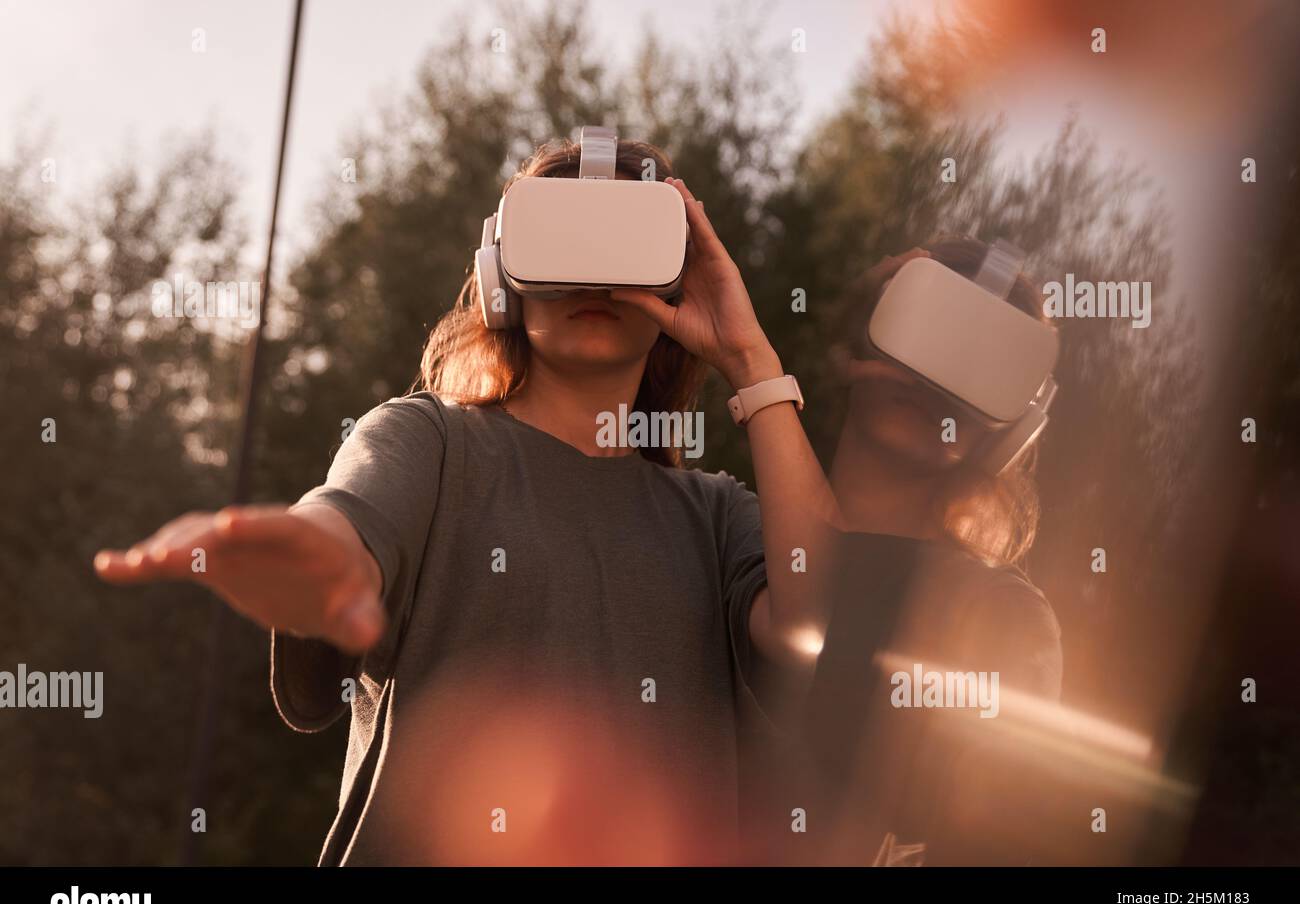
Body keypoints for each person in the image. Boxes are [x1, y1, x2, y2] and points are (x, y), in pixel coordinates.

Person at [93, 135, 838, 865]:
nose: (593, 276)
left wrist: (751, 360)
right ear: (501, 277)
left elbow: (829, 625)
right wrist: (314, 556)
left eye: (625, 242)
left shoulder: (716, 518)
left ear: (679, 278)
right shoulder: (430, 443)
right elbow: (347, 522)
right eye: (561, 238)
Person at [750, 239, 1065, 866]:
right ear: (860, 342)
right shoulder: (733, 540)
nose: (931, 377)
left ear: (1016, 428)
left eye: (982, 363)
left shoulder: (999, 615)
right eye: (924, 325)